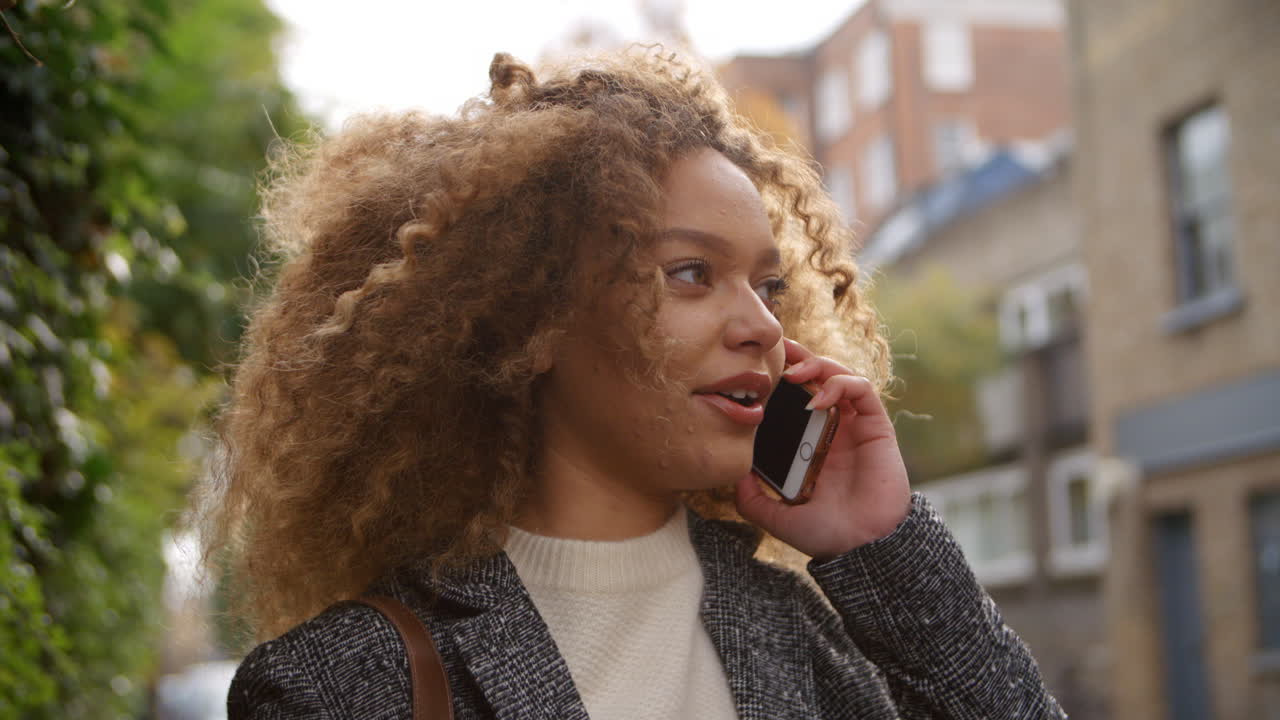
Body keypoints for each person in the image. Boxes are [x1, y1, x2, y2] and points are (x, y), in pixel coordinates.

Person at [207, 47, 1066, 719]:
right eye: (691, 273)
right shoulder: (347, 686)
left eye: (769, 285)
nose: (763, 326)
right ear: (535, 321)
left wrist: (882, 547)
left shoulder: (802, 634)